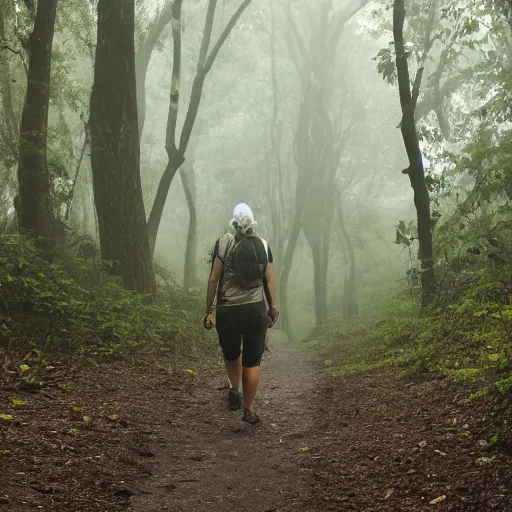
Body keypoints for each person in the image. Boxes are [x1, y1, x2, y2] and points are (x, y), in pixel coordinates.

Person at [204, 203, 279, 425]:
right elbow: (269, 281)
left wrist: (208, 310)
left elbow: (213, 279)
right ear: (253, 223)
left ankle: (234, 391)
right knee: (252, 361)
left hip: (227, 311)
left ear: (233, 223)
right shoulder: (264, 246)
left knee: (231, 353)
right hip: (255, 311)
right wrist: (273, 307)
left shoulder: (224, 242)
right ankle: (248, 409)